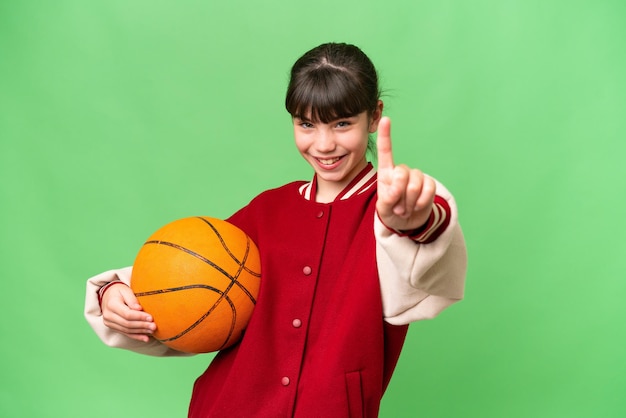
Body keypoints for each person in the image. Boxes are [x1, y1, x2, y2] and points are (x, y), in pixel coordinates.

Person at [84, 42, 467, 418]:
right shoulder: (268, 209)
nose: (324, 144)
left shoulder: (391, 208)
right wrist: (117, 294)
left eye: (342, 123)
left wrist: (412, 221)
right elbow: (191, 277)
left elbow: (431, 244)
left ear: (374, 114)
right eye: (306, 124)